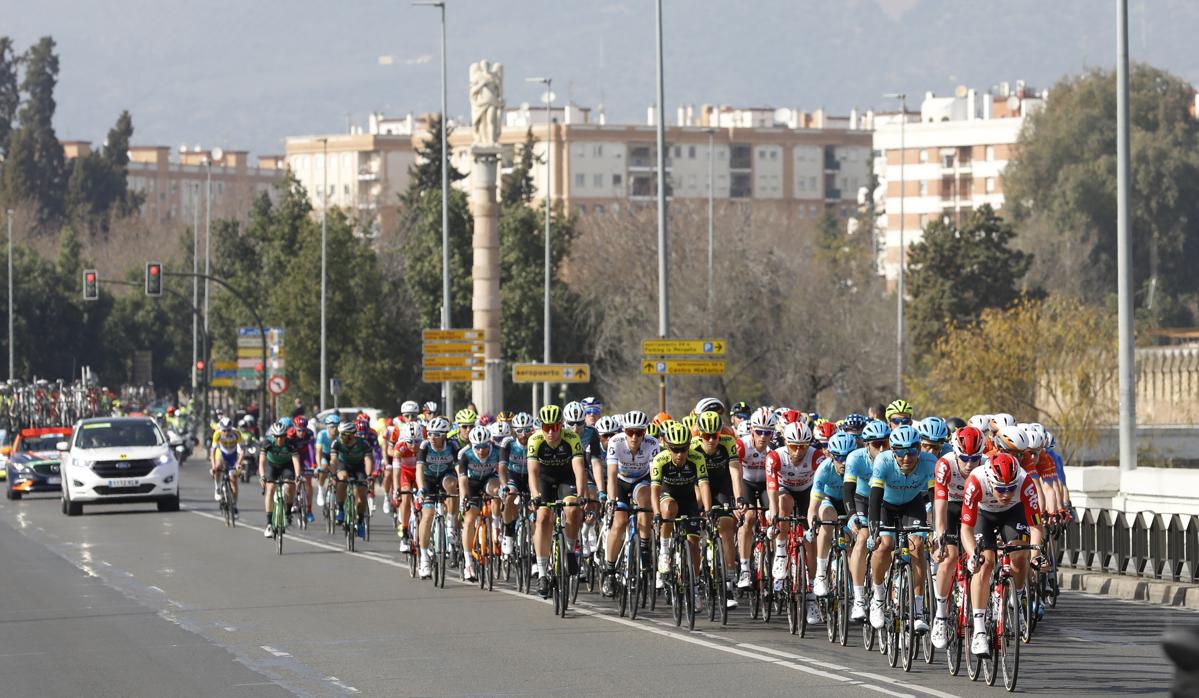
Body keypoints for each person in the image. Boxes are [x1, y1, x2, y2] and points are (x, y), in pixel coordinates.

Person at [960, 452, 1044, 657]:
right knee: (985, 563)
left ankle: (1018, 597)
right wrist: (972, 555)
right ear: (990, 481)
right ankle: (979, 630)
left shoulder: (1025, 483)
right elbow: (965, 529)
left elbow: (1036, 527)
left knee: (1020, 554)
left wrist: (1036, 555)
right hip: (983, 514)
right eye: (1000, 489)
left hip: (1013, 513)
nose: (1006, 494)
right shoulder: (976, 481)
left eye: (1010, 488)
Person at [867, 424, 936, 633]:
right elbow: (875, 497)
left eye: (912, 451)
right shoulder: (883, 461)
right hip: (885, 506)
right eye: (900, 452)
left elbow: (935, 497)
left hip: (912, 505)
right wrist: (873, 531)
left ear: (919, 450)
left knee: (917, 546)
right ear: (893, 451)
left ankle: (918, 609)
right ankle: (878, 597)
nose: (907, 457)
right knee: (884, 545)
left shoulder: (929, 462)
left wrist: (936, 528)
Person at [930, 425, 988, 649]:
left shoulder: (986, 465)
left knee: (983, 557)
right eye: (964, 457)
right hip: (952, 506)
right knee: (950, 557)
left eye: (975, 458)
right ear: (955, 453)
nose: (970, 464)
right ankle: (941, 615)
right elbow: (941, 505)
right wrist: (940, 538)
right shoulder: (945, 464)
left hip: (977, 508)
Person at [526, 404, 588, 598]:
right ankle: (543, 573)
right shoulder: (535, 440)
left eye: (555, 427)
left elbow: (579, 469)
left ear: (561, 425)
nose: (551, 432)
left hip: (566, 478)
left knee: (573, 510)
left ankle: (570, 551)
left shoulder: (572, 438)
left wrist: (581, 494)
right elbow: (533, 472)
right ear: (541, 427)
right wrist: (535, 495)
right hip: (545, 479)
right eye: (546, 427)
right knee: (543, 517)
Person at [650, 420, 713, 607]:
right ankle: (664, 550)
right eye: (675, 449)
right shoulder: (660, 459)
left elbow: (703, 485)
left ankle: (693, 586)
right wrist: (655, 514)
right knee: (670, 508)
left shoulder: (696, 458)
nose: (679, 454)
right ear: (667, 447)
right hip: (667, 495)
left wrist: (708, 511)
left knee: (694, 543)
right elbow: (654, 490)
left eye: (683, 449)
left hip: (688, 499)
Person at [766, 420, 821, 625]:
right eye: (794, 446)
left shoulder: (816, 456)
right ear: (786, 443)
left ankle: (812, 595)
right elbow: (771, 489)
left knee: (810, 542)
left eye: (803, 447)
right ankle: (781, 552)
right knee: (783, 503)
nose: (798, 451)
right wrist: (773, 514)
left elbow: (820, 487)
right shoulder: (775, 457)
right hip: (784, 490)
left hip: (808, 492)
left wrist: (813, 515)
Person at [601, 410, 659, 597]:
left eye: (639, 432)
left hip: (641, 480)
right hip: (620, 481)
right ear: (624, 431)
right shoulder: (615, 442)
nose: (634, 437)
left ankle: (644, 544)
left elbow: (655, 477)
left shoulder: (652, 443)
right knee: (618, 523)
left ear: (645, 432)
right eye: (630, 432)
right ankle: (609, 572)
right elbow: (610, 475)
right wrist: (611, 500)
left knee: (645, 499)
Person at [691, 410, 742, 607]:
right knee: (696, 504)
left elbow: (735, 471)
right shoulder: (694, 447)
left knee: (727, 525)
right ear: (700, 435)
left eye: (715, 435)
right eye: (707, 436)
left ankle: (729, 582)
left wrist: (739, 498)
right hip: (698, 484)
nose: (711, 440)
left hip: (721, 485)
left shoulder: (728, 444)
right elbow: (695, 480)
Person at [807, 431, 857, 599]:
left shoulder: (859, 468)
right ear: (831, 456)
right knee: (827, 520)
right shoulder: (824, 469)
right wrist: (812, 525)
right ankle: (821, 574)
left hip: (850, 503)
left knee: (850, 545)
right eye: (839, 458)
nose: (843, 462)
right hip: (828, 501)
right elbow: (814, 504)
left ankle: (855, 590)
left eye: (847, 458)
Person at [458, 425, 507, 583]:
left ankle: (496, 526)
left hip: (488, 480)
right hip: (471, 483)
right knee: (470, 518)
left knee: (496, 489)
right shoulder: (465, 454)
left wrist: (503, 489)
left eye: (484, 447)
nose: (481, 451)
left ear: (490, 443)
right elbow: (463, 479)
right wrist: (464, 498)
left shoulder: (497, 451)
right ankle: (468, 563)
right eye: (477, 448)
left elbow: (501, 472)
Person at [735, 407, 776, 589]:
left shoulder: (774, 448)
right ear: (752, 430)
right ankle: (744, 569)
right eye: (759, 431)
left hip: (767, 484)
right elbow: (734, 473)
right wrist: (737, 498)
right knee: (749, 517)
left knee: (774, 518)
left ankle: (773, 563)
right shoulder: (742, 445)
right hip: (747, 483)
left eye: (767, 433)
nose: (763, 437)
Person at [416, 417, 460, 579]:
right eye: (430, 433)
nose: (432, 437)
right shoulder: (425, 446)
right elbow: (419, 469)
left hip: (445, 477)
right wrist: (421, 488)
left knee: (453, 485)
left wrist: (463, 490)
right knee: (427, 516)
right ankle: (424, 559)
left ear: (444, 435)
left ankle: (450, 523)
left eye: (437, 434)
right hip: (428, 480)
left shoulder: (452, 446)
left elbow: (458, 469)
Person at [331, 420, 375, 539]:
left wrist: (369, 475)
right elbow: (334, 460)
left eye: (343, 434)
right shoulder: (337, 443)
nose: (340, 436)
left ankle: (360, 521)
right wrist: (333, 474)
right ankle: (340, 509)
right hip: (343, 465)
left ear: (351, 435)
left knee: (361, 497)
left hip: (359, 467)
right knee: (342, 478)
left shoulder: (363, 444)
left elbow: (368, 460)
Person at [258, 422, 301, 537]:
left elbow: (296, 461)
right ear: (273, 436)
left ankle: (287, 513)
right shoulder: (267, 443)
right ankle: (268, 524)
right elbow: (262, 461)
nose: (279, 439)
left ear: (285, 435)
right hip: (272, 466)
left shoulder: (290, 444)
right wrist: (262, 476)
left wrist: (298, 476)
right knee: (270, 487)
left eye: (282, 436)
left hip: (287, 466)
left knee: (290, 486)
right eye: (277, 436)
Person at [500, 412, 534, 556]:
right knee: (510, 496)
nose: (524, 434)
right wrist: (504, 485)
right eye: (520, 430)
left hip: (531, 477)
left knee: (535, 506)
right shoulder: (508, 443)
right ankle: (508, 532)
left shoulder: (536, 441)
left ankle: (533, 548)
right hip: (513, 476)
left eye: (527, 430)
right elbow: (502, 467)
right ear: (514, 430)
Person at [210, 419, 243, 517]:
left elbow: (242, 451)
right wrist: (213, 466)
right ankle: (217, 487)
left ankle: (234, 505)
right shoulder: (217, 434)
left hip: (233, 455)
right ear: (221, 429)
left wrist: (238, 463)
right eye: (224, 430)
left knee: (233, 479)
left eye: (228, 430)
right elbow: (212, 451)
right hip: (222, 453)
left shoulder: (237, 433)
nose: (226, 433)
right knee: (217, 467)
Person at [291, 416, 316, 523]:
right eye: (299, 430)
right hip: (293, 457)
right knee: (293, 479)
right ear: (295, 428)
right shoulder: (290, 434)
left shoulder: (309, 434)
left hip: (305, 457)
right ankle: (294, 501)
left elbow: (311, 450)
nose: (301, 432)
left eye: (303, 430)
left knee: (308, 481)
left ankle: (309, 510)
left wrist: (313, 465)